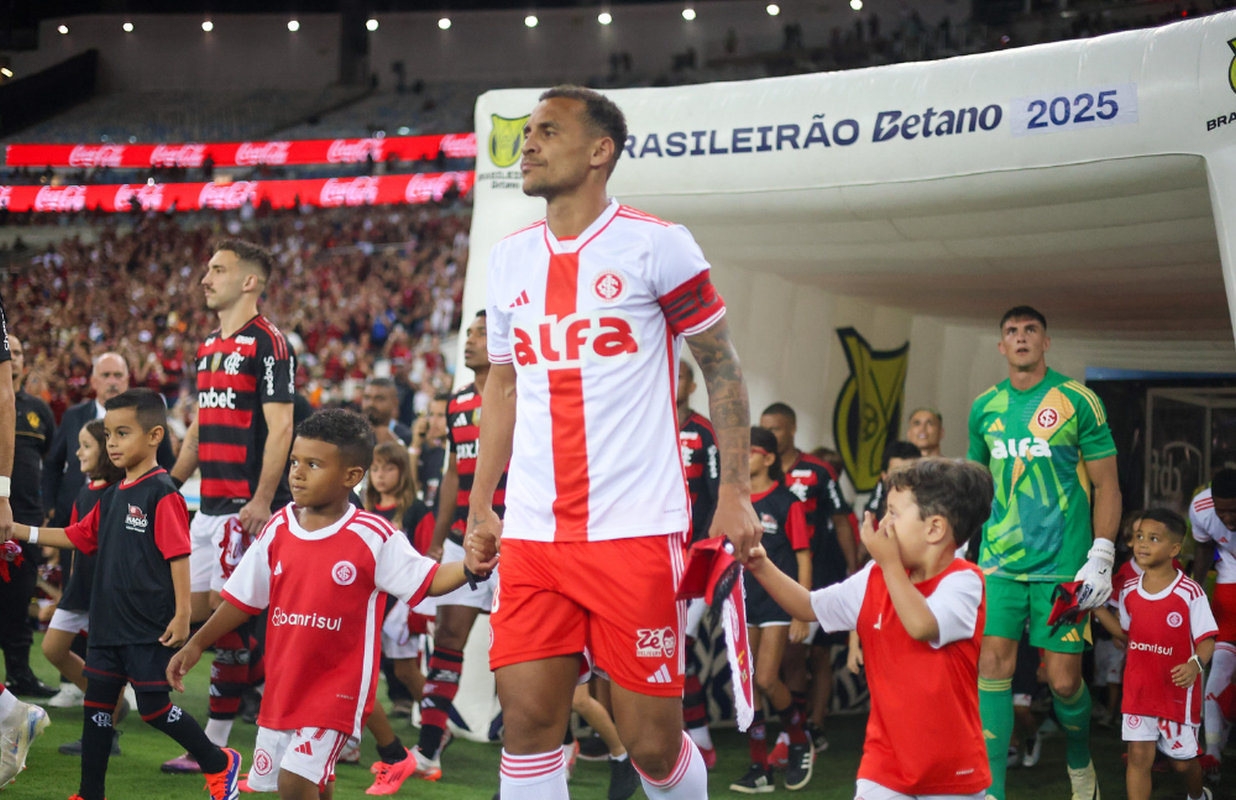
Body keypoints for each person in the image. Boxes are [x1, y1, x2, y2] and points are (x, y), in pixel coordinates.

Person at [466, 84, 760, 800]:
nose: (527, 143)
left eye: (547, 131)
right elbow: (500, 390)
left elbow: (719, 366)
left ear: (601, 151)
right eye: (526, 131)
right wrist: (482, 507)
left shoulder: (657, 244)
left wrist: (735, 493)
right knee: (530, 721)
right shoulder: (508, 259)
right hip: (534, 533)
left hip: (633, 531)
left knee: (654, 746)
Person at [166, 408, 480, 800]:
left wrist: (470, 567)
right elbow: (242, 599)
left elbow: (429, 578)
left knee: (294, 784)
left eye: (313, 464)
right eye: (295, 461)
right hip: (285, 686)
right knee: (316, 783)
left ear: (352, 476)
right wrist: (197, 643)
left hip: (336, 690)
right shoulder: (279, 527)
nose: (296, 472)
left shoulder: (373, 535)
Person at [6, 388, 242, 800]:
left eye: (123, 433)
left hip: (146, 626)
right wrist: (18, 531)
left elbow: (179, 555)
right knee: (97, 710)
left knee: (154, 708)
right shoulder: (112, 494)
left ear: (154, 437)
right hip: (107, 626)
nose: (112, 443)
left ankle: (219, 762)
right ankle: (89, 793)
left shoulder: (162, 492)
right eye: (109, 434)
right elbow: (77, 536)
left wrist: (184, 614)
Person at [745, 457, 993, 799]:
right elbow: (808, 606)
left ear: (934, 529)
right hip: (884, 761)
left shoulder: (964, 581)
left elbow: (922, 625)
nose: (883, 523)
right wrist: (760, 565)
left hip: (951, 766)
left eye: (894, 513)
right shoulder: (875, 576)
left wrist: (888, 562)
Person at [968, 305, 1121, 800]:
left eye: (1030, 330)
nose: (1020, 338)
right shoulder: (984, 407)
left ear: (1046, 341)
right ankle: (992, 789)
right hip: (998, 565)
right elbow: (974, 486)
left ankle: (1080, 761)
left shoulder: (1078, 400)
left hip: (1064, 567)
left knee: (1062, 681)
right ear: (1001, 346)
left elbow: (1107, 486)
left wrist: (1101, 555)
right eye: (1010, 331)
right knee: (991, 667)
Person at [167, 238, 296, 772]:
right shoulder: (207, 346)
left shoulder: (269, 342)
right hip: (208, 506)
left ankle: (218, 747)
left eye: (217, 269)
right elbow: (200, 424)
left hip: (244, 505)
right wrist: (169, 483)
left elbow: (282, 424)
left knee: (228, 622)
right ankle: (264, 693)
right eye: (206, 268)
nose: (205, 278)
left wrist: (263, 498)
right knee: (195, 614)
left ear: (249, 281)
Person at [413, 311, 504, 780]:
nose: (470, 341)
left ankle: (554, 746)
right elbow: (453, 471)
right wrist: (435, 540)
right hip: (460, 541)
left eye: (482, 333)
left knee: (517, 652)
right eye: (469, 332)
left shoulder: (522, 393)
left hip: (513, 542)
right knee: (447, 638)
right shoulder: (457, 401)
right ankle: (429, 748)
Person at [759, 401, 854, 755]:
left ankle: (796, 732)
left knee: (798, 655)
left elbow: (842, 518)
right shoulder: (758, 469)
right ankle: (792, 729)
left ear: (793, 428)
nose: (771, 434)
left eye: (778, 427)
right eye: (765, 427)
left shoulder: (817, 470)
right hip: (765, 578)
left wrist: (851, 566)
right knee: (773, 662)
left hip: (807, 574)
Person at [729, 426, 813, 793]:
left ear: (768, 458)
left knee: (765, 678)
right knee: (748, 687)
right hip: (744, 601)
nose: (741, 458)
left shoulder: (787, 502)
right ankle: (760, 766)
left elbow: (803, 556)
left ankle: (799, 738)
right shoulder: (735, 500)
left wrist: (802, 610)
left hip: (779, 602)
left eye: (749, 451)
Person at [1116, 508, 1216, 800]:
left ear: (1174, 549)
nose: (1142, 544)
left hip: (1176, 696)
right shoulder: (1129, 590)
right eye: (1139, 537)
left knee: (1183, 764)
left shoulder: (1190, 592)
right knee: (1137, 756)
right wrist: (1093, 608)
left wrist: (1195, 665)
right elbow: (1126, 632)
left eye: (1153, 538)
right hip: (1139, 691)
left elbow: (1207, 639)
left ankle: (1198, 795)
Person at [42, 420, 126, 756]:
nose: (78, 452)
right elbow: (75, 540)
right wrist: (70, 586)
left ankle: (105, 731)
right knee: (53, 648)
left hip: (107, 592)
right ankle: (110, 705)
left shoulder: (117, 493)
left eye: (86, 445)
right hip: (80, 589)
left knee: (104, 664)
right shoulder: (83, 490)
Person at [0, 290, 48, 792]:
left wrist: (2, 495)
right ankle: (11, 710)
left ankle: (12, 709)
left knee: (16, 607)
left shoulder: (32, 407)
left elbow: (4, 397)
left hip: (21, 513)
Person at [1, 336, 56, 698]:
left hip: (26, 524)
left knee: (19, 605)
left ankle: (20, 674)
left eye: (19, 352)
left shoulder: (39, 410)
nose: (15, 357)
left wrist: (46, 514)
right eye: (11, 351)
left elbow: (50, 464)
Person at [676, 358, 720, 763]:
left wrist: (701, 549)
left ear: (691, 386)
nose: (673, 379)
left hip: (694, 560)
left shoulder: (705, 432)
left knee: (680, 649)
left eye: (682, 374)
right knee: (664, 648)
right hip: (653, 558)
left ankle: (701, 741)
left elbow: (719, 493)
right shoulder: (646, 422)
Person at [41, 352, 131, 528]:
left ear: (127, 380)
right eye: (106, 375)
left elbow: (165, 463)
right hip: (73, 514)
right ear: (93, 381)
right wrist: (50, 507)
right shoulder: (73, 416)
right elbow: (53, 463)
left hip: (123, 516)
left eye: (118, 375)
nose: (112, 381)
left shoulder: (142, 419)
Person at [1188, 469, 1236, 778]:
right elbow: (1204, 550)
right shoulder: (1201, 509)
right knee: (1216, 671)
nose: (1229, 518)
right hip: (1230, 583)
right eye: (1223, 511)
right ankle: (1213, 757)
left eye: (1235, 509)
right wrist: (1193, 592)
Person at [362, 377, 413, 446]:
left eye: (379, 398)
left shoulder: (406, 437)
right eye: (367, 397)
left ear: (395, 403)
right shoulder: (353, 434)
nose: (371, 403)